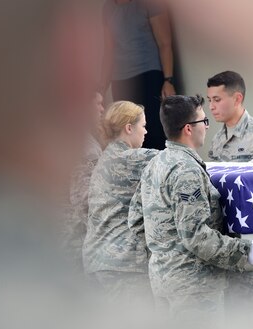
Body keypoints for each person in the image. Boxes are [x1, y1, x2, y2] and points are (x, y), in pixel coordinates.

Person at [138, 95, 253, 327]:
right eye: (204, 121)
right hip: (193, 289)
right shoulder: (187, 171)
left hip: (164, 279)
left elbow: (137, 219)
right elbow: (197, 236)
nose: (207, 126)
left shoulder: (156, 163)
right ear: (189, 129)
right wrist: (245, 250)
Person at [206, 70, 253, 327]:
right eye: (209, 100)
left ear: (237, 98)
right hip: (225, 239)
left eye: (217, 99)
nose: (212, 106)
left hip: (252, 240)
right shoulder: (217, 140)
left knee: (250, 317)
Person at [83, 101, 159, 303]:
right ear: (128, 128)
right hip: (121, 265)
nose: (146, 132)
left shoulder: (106, 157)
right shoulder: (130, 158)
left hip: (96, 260)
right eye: (142, 126)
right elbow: (179, 160)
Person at [102, 0, 175, 150]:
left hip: (149, 75)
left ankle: (161, 171)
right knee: (127, 136)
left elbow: (165, 43)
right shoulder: (108, 7)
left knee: (154, 131)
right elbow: (109, 50)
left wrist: (168, 80)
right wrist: (101, 88)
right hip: (121, 81)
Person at [64, 90, 106, 272]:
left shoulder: (78, 139)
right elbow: (84, 200)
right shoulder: (85, 148)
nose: (102, 110)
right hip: (75, 239)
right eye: (98, 104)